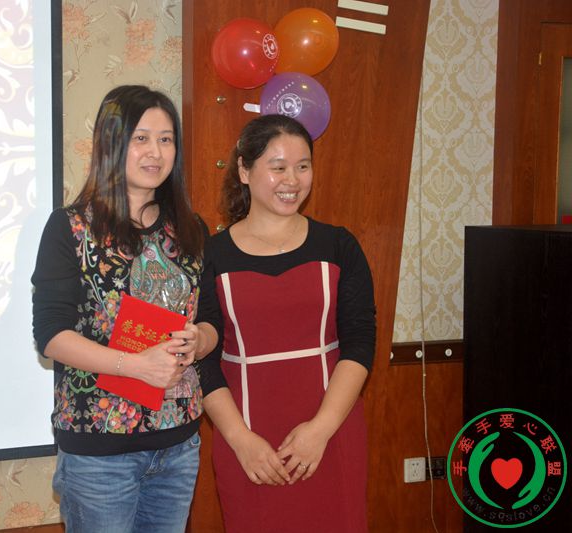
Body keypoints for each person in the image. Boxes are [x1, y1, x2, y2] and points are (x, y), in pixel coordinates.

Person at [31, 85, 219, 533]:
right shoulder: (70, 227)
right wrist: (134, 366)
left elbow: (212, 320)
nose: (156, 151)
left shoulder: (191, 229)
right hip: (99, 452)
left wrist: (199, 340)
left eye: (166, 139)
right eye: (141, 138)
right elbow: (51, 335)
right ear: (112, 144)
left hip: (178, 444)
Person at [197, 114, 376, 532]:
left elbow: (360, 342)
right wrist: (241, 440)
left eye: (302, 166)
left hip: (330, 431)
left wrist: (320, 430)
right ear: (244, 170)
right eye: (277, 167)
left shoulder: (339, 245)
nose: (292, 180)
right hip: (247, 442)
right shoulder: (210, 255)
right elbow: (202, 360)